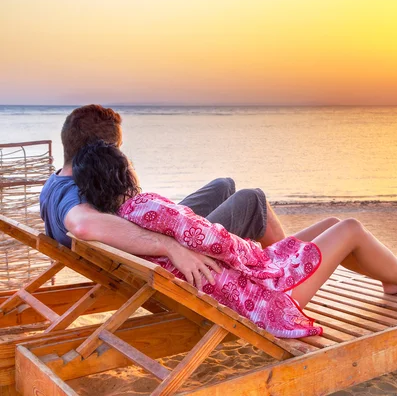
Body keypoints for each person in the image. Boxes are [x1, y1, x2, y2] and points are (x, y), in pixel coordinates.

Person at [71, 140, 397, 338]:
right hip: (261, 299)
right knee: (351, 226)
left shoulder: (121, 220)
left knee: (333, 222)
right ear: (124, 171)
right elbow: (213, 240)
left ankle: (393, 279)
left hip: (233, 286)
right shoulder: (148, 208)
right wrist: (258, 255)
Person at [40, 104, 285, 284]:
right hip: (159, 268)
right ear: (103, 151)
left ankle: (261, 263)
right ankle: (285, 274)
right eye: (117, 150)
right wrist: (169, 246)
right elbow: (82, 225)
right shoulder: (72, 195)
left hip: (139, 258)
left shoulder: (57, 180)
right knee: (252, 200)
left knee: (224, 186)